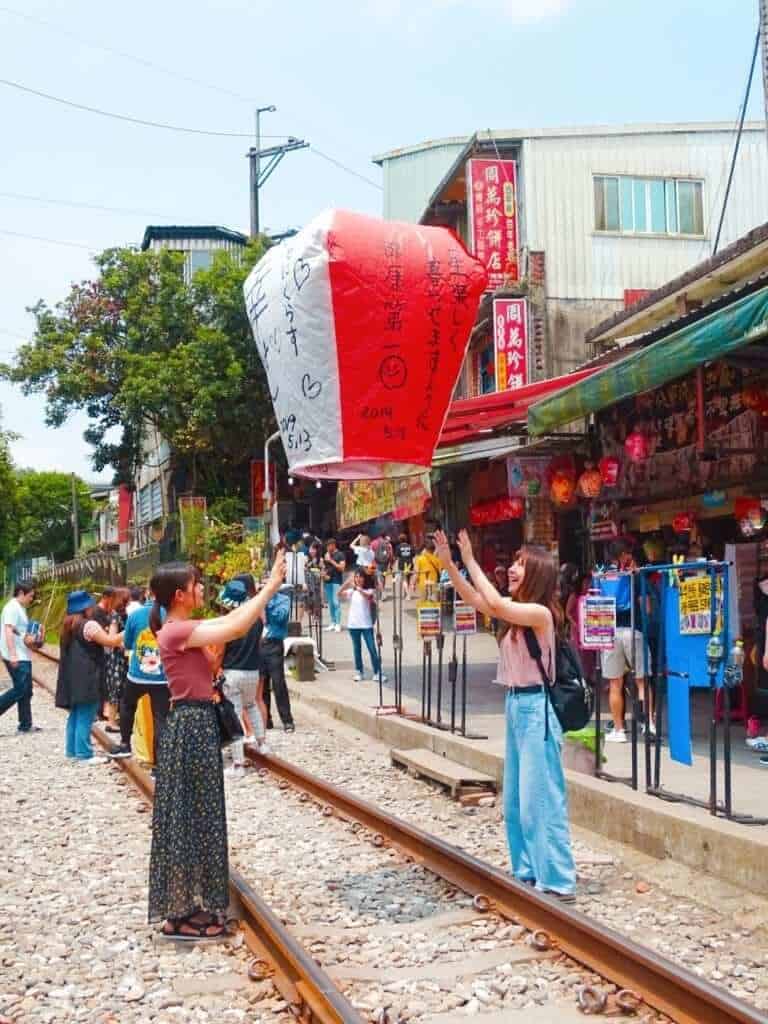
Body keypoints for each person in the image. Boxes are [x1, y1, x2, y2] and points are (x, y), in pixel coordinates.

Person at [147, 552, 286, 940]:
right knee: (193, 817)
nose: (201, 589)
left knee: (196, 816)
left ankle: (189, 906)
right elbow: (235, 626)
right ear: (179, 593)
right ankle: (182, 912)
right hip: (191, 725)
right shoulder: (175, 630)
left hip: (194, 723)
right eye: (195, 584)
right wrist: (271, 587)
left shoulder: (180, 627)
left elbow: (229, 625)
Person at [434, 529, 576, 900]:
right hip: (516, 705)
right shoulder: (516, 616)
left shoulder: (540, 614)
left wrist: (468, 559)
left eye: (521, 565)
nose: (512, 569)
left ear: (538, 575)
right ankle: (527, 872)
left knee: (540, 800)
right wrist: (449, 564)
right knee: (514, 801)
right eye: (513, 563)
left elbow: (494, 604)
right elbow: (478, 599)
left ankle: (558, 880)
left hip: (536, 709)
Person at [55, 589, 124, 764]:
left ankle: (72, 751)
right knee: (86, 713)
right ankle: (84, 754)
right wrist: (128, 629)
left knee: (76, 714)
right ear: (85, 607)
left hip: (72, 677)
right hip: (88, 676)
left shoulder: (67, 625)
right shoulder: (89, 625)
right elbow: (110, 641)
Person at [598, 541, 651, 743]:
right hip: (632, 630)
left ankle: (619, 730)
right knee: (641, 681)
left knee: (614, 683)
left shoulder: (601, 575)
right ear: (624, 555)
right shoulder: (634, 577)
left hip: (609, 633)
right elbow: (646, 608)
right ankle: (649, 725)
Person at [110, 586, 170, 761]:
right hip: (162, 677)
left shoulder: (135, 615)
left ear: (148, 594)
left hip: (137, 675)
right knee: (160, 718)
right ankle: (160, 763)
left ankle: (125, 744)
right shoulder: (171, 616)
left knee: (127, 706)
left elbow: (128, 644)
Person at [218, 579, 268, 779]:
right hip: (252, 671)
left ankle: (238, 764)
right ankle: (262, 744)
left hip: (233, 672)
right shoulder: (256, 619)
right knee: (252, 706)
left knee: (235, 715)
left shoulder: (229, 621)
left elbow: (221, 651)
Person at [0, 581, 40, 734]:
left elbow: (15, 629)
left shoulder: (18, 608)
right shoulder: (12, 608)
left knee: (26, 690)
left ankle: (25, 724)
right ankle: (25, 724)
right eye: (30, 596)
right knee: (21, 689)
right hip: (16, 655)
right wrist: (13, 655)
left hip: (22, 654)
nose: (31, 599)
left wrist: (24, 635)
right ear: (22, 593)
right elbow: (8, 630)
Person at [340, 569, 387, 683]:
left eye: (360, 577)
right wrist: (347, 583)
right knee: (357, 649)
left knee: (372, 648)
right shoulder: (352, 591)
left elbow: (368, 597)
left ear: (364, 579)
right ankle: (359, 671)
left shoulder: (369, 590)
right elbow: (339, 594)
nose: (358, 579)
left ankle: (377, 672)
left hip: (366, 625)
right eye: (356, 577)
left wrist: (358, 588)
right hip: (353, 625)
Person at [260, 585, 296, 732]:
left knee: (278, 683)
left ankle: (287, 720)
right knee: (262, 684)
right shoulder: (259, 600)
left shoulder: (283, 599)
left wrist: (267, 603)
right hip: (260, 644)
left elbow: (281, 617)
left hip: (274, 644)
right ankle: (266, 718)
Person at [104, 587, 130, 733]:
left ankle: (117, 719)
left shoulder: (123, 614)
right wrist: (125, 645)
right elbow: (111, 638)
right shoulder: (115, 616)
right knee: (116, 688)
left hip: (123, 657)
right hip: (117, 658)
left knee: (122, 689)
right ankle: (111, 722)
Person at [565, 573, 596, 683]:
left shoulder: (591, 595)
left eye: (590, 582)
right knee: (580, 654)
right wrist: (574, 624)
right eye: (586, 582)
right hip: (577, 629)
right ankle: (582, 677)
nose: (588, 584)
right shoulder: (575, 595)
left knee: (589, 654)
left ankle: (589, 676)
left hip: (588, 628)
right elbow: (567, 613)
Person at [323, 538, 346, 632]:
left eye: (329, 546)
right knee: (331, 603)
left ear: (333, 545)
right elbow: (325, 567)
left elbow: (342, 568)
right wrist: (323, 571)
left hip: (336, 581)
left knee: (336, 602)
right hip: (328, 581)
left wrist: (331, 560)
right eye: (327, 547)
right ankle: (332, 622)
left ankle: (338, 623)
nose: (327, 548)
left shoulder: (340, 554)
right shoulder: (327, 555)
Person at [372, 533, 394, 600]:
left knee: (378, 579)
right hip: (385, 563)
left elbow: (370, 554)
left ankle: (382, 593)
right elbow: (391, 554)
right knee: (383, 578)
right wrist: (391, 564)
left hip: (376, 563)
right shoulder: (387, 544)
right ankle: (381, 593)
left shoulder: (373, 543)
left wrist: (372, 563)